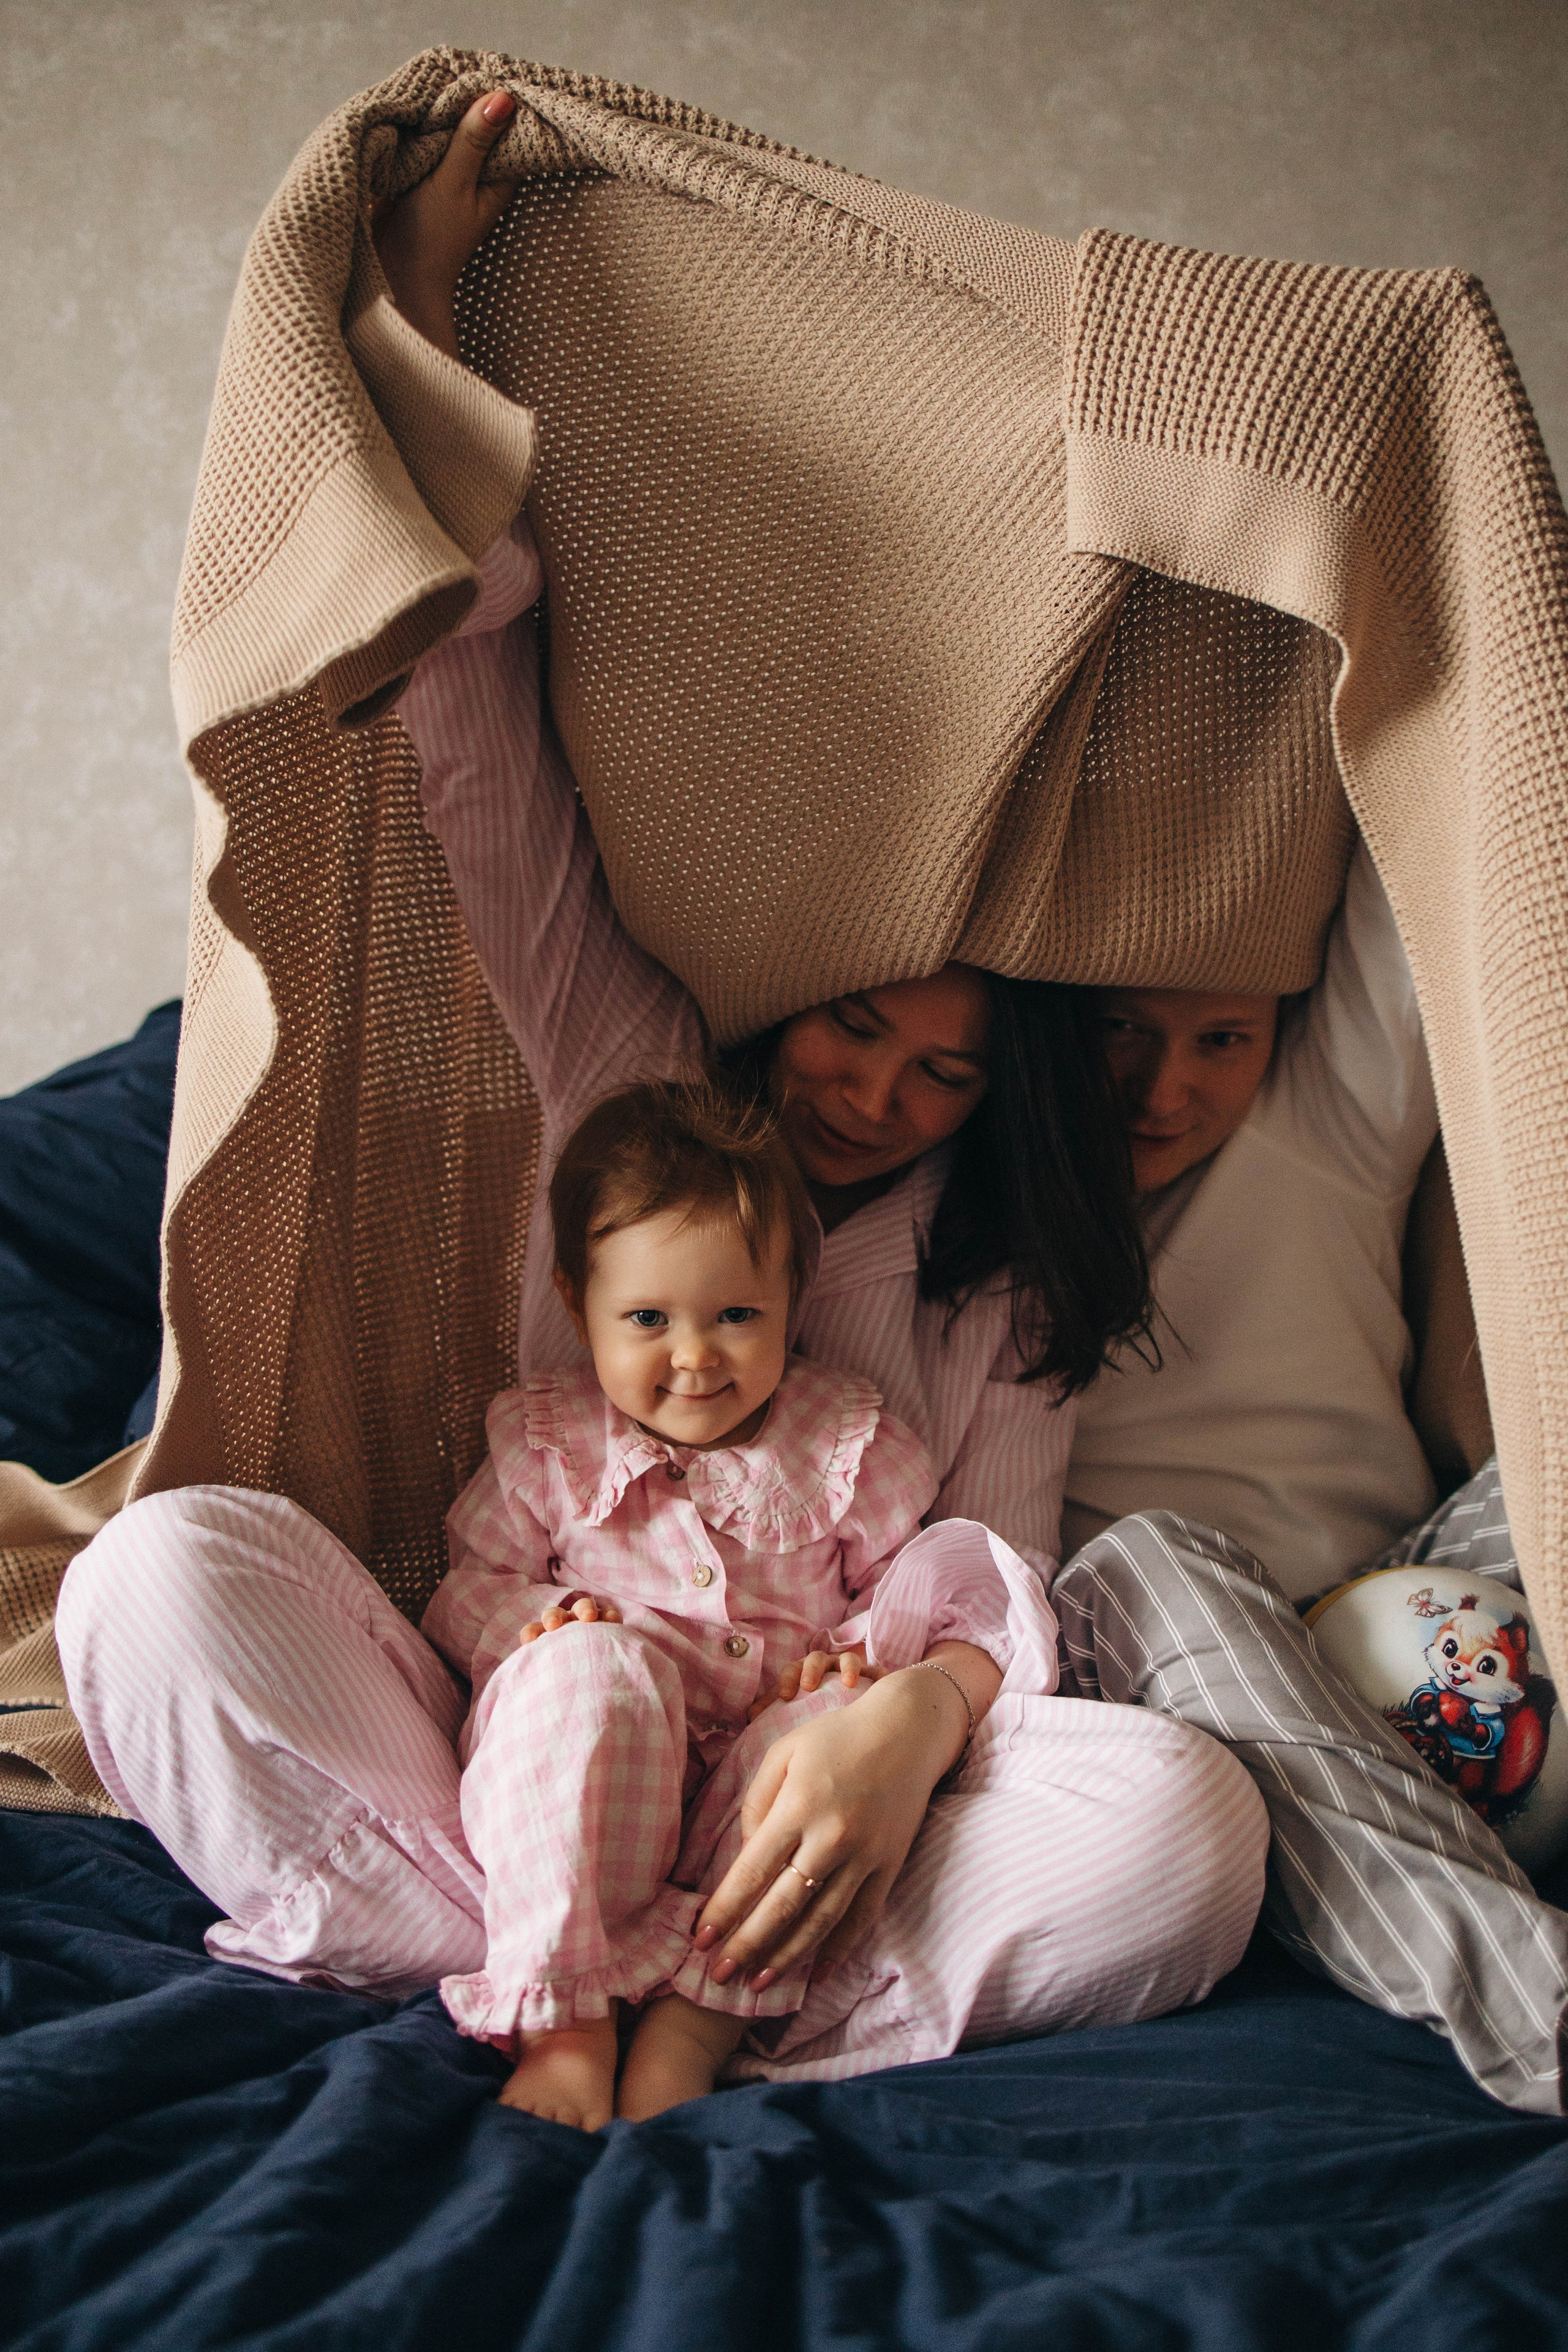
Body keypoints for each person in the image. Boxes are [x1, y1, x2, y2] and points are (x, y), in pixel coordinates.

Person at [58, 91, 1568, 2117]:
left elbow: (993, 1563)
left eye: (947, 1068)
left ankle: (697, 1976)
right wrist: (427, 368)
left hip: (818, 1754)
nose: (879, 1089)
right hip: (531, 1726)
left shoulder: (996, 1279)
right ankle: (549, 1967)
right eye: (860, 1029)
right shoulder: (631, 1070)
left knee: (1180, 1827)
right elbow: (483, 776)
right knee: (151, 1580)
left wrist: (907, 1725)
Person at [428, 1073, 1194, 2128]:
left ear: (794, 1301)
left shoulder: (848, 1447)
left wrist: (852, 1657)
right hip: (600, 1770)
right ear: (577, 1303)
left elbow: (905, 1598)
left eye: (737, 1315)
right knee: (584, 1673)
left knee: (838, 1721)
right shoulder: (550, 1445)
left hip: (757, 1779)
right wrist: (530, 1627)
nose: (695, 1357)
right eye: (647, 1319)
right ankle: (567, 2021)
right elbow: (468, 1587)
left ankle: (702, 2022)